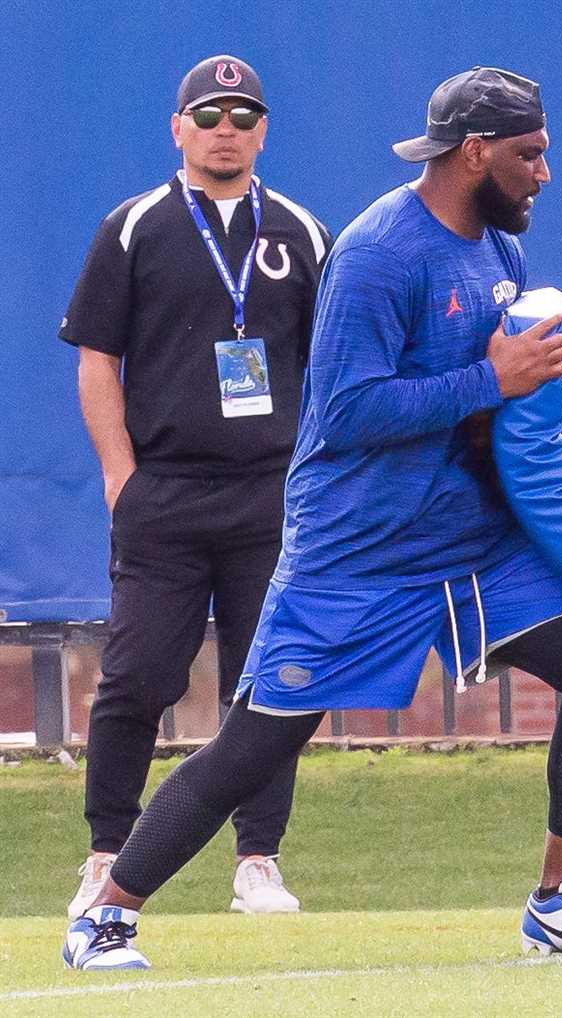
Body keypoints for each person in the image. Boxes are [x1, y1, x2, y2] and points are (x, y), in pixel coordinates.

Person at [62, 66, 562, 972]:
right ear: (475, 153)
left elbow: (501, 402)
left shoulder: (498, 247)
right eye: (529, 155)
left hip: (472, 544)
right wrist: (492, 380)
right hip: (362, 552)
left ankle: (560, 906)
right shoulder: (382, 251)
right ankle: (106, 914)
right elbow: (344, 413)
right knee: (257, 740)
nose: (543, 173)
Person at [59, 54, 330, 920]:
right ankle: (106, 854)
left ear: (263, 132)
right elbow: (98, 359)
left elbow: (330, 371)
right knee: (137, 676)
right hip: (165, 492)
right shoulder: (134, 227)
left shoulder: (299, 233)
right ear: (178, 128)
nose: (226, 130)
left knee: (276, 678)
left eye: (243, 117)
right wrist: (120, 479)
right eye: (209, 116)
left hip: (271, 496)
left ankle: (259, 858)